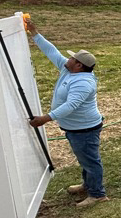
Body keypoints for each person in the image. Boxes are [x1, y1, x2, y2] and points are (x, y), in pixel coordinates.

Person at [26, 18, 108, 207]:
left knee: (90, 160)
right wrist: (34, 33)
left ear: (79, 65)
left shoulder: (83, 83)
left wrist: (45, 118)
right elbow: (52, 51)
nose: (67, 59)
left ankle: (97, 195)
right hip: (76, 128)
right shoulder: (69, 70)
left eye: (72, 58)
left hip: (85, 129)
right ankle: (88, 185)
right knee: (85, 158)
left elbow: (70, 106)